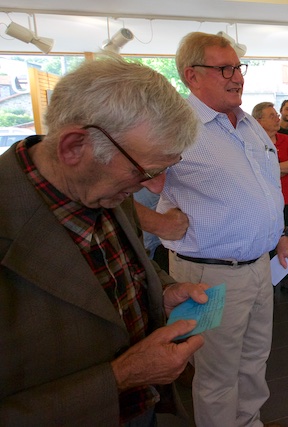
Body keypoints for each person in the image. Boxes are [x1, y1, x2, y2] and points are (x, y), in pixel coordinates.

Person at [0, 56, 206, 425]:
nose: (148, 186)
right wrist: (122, 376)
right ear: (74, 147)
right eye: (144, 171)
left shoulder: (102, 187)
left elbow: (119, 263)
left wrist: (162, 289)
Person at [162, 32, 288, 426]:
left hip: (258, 267)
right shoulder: (176, 126)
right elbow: (126, 194)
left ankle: (248, 421)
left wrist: (281, 235)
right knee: (216, 374)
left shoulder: (250, 124)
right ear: (192, 75)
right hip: (207, 276)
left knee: (255, 360)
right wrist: (162, 223)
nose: (237, 77)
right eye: (224, 68)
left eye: (238, 67)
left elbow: (266, 186)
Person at [252, 101, 288, 295]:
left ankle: (287, 280)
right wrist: (282, 167)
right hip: (262, 202)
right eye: (272, 115)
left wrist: (268, 169)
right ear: (258, 120)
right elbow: (252, 170)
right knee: (266, 241)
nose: (277, 118)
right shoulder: (252, 142)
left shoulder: (286, 139)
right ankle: (267, 283)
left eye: (277, 114)